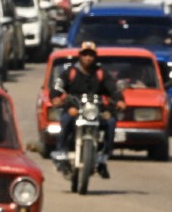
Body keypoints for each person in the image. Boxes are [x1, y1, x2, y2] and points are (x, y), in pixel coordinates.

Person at [49, 41, 126, 179]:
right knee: (66, 119)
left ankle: (103, 157)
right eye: (85, 55)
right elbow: (57, 87)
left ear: (95, 57)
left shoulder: (101, 73)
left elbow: (113, 89)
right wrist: (55, 98)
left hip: (95, 111)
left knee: (111, 122)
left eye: (91, 55)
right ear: (80, 56)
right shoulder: (70, 72)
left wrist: (120, 100)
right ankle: (61, 152)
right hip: (75, 109)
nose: (88, 58)